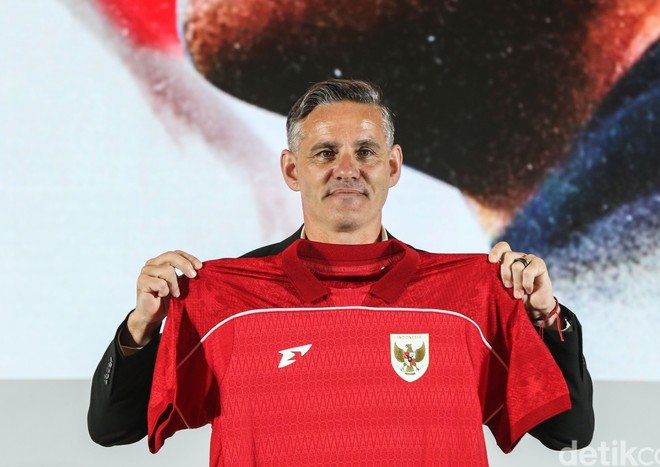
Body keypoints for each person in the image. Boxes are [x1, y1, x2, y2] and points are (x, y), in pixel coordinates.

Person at [88, 79, 594, 461]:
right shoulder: (226, 303)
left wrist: (545, 317)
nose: (346, 169)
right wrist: (142, 328)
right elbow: (113, 427)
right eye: (325, 152)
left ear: (392, 167)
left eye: (365, 152)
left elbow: (568, 433)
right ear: (293, 169)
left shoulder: (469, 298)